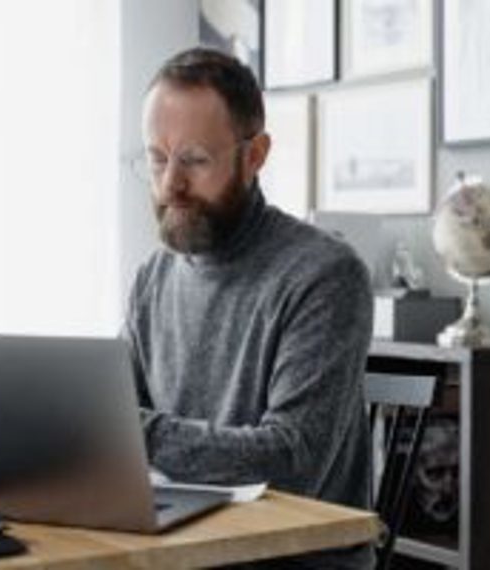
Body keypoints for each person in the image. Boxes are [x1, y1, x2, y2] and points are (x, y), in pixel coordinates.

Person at [122, 47, 374, 569]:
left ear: (255, 155)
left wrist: (131, 432)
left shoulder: (324, 274)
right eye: (156, 158)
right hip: (185, 548)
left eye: (194, 159)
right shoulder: (153, 277)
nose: (170, 184)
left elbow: (289, 459)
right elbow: (106, 413)